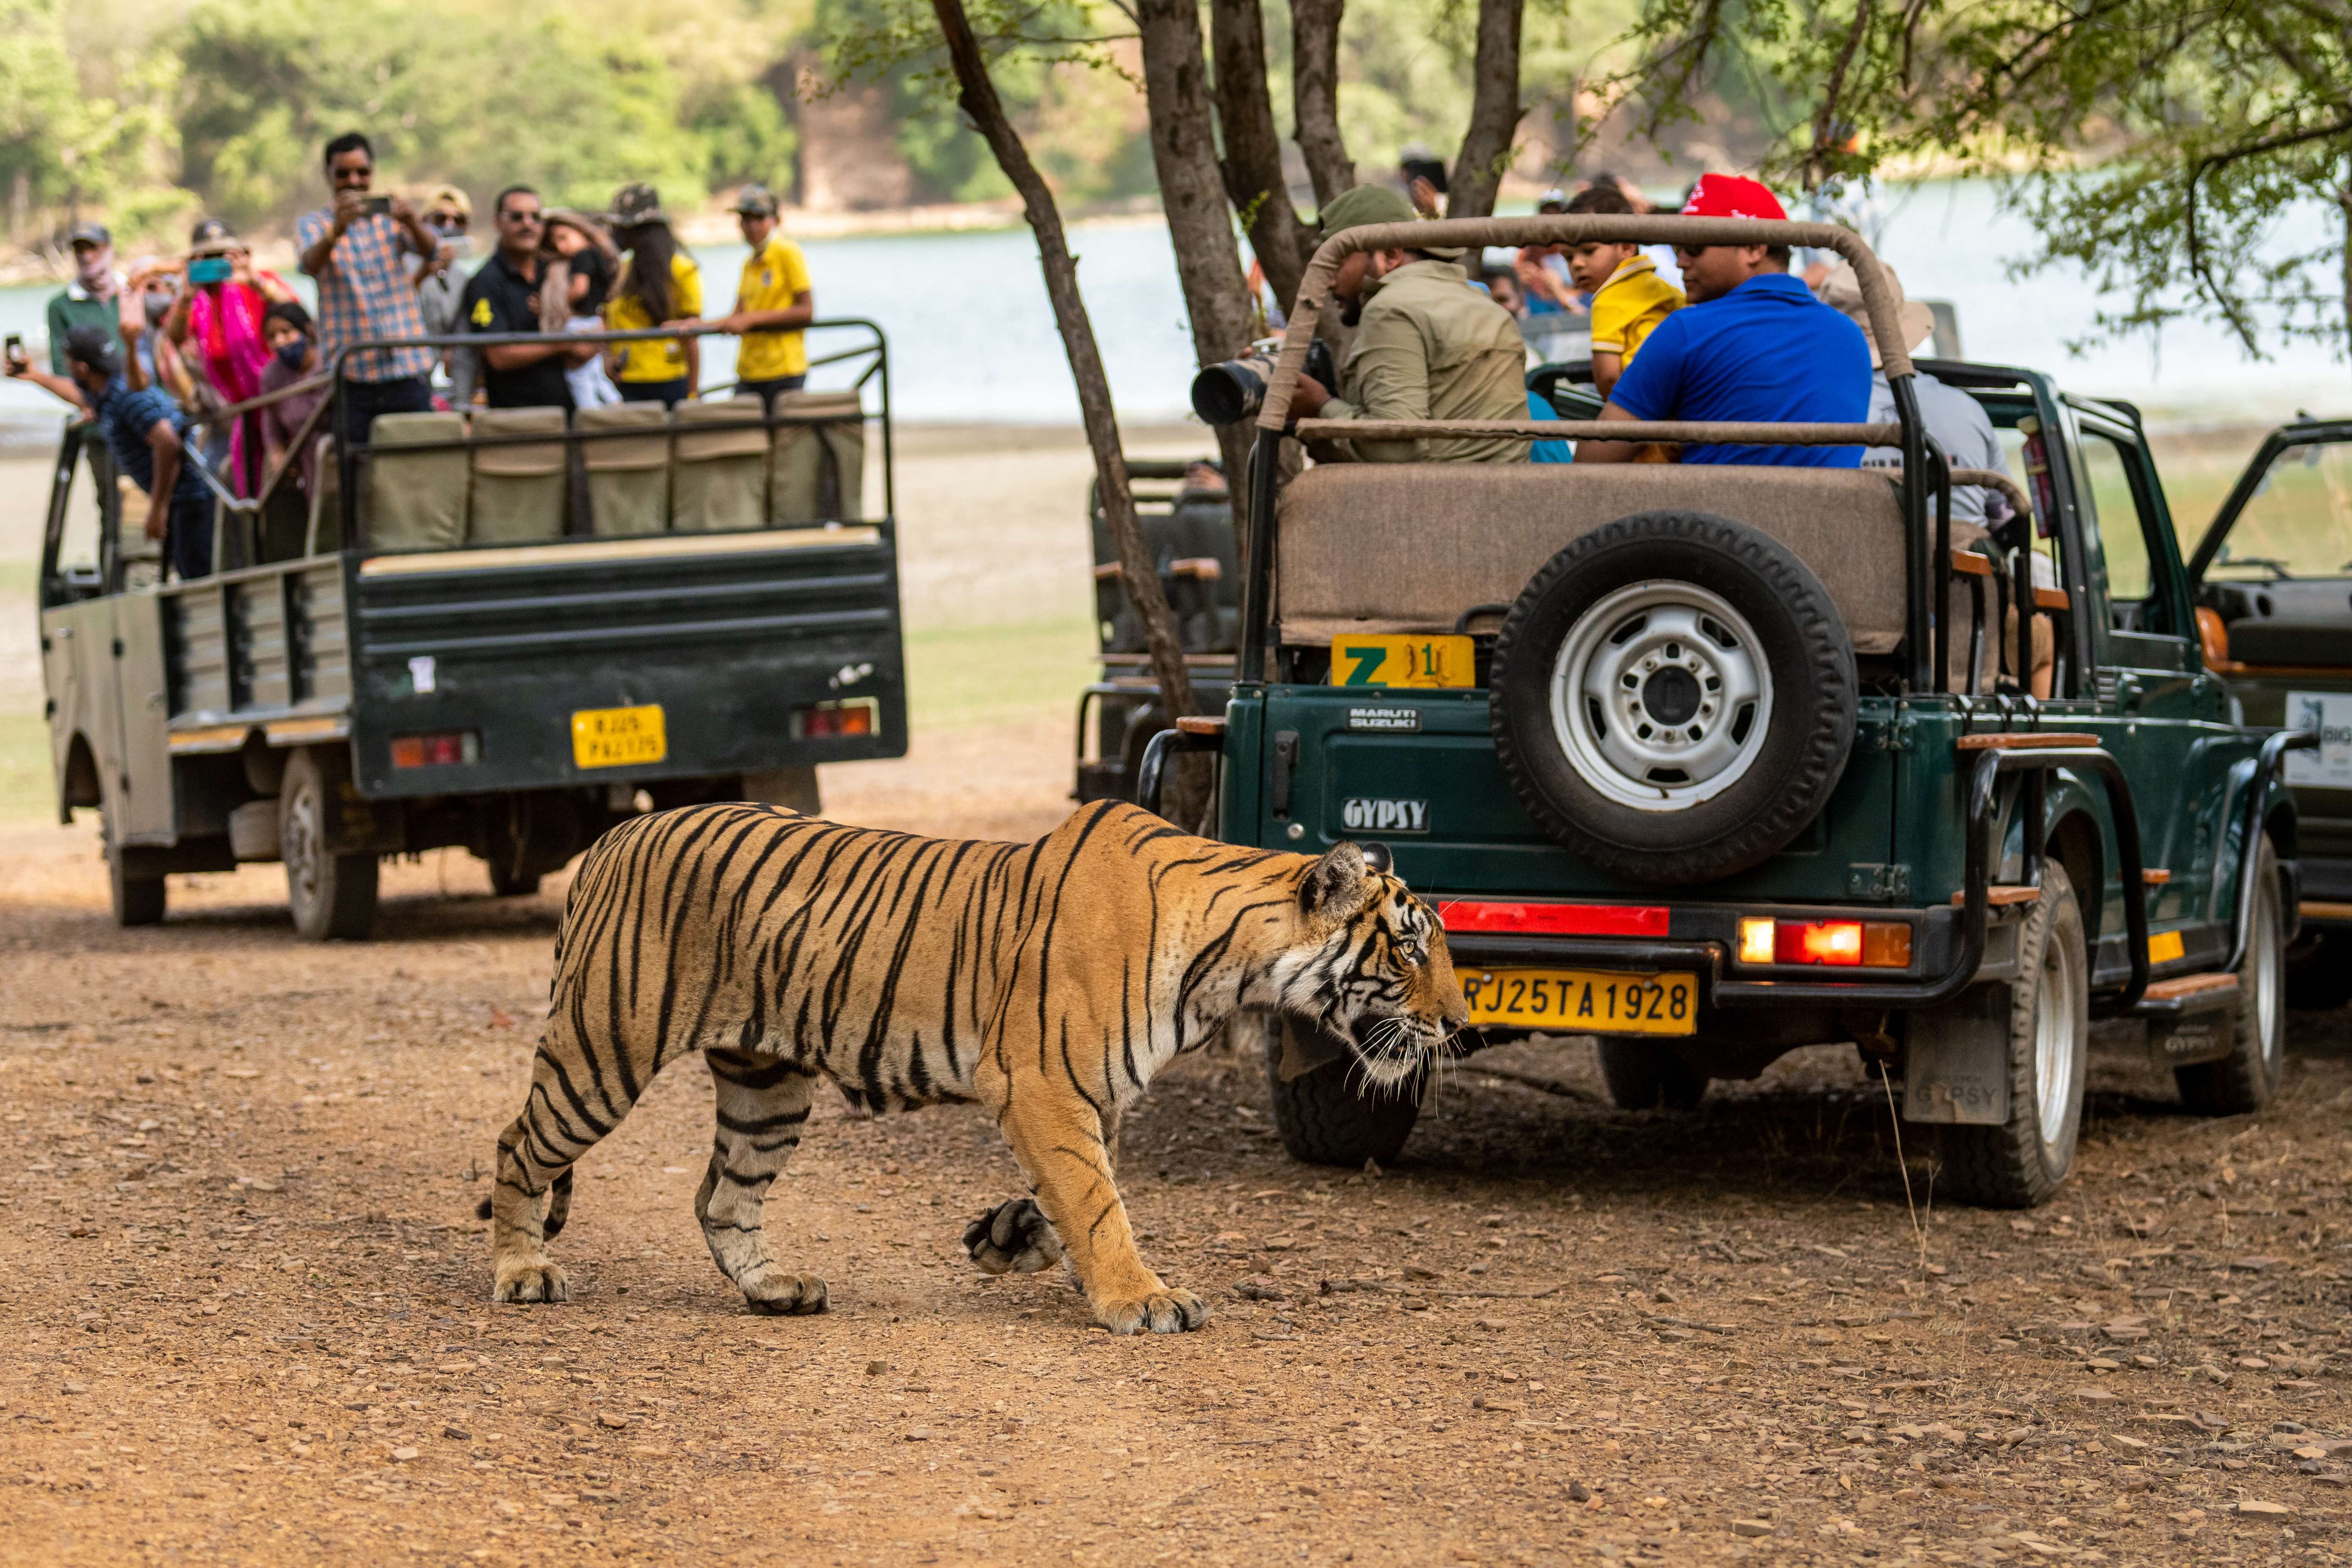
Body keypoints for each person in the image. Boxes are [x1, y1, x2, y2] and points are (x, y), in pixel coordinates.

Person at [1580, 173, 1870, 468]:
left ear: (1755, 248)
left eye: (1693, 247)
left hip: (1714, 513)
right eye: (1677, 248)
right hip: (1834, 512)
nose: (1681, 261)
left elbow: (1591, 465)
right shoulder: (1850, 335)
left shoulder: (1686, 331)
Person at [1289, 183, 1527, 464]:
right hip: (1508, 495)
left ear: (1390, 256)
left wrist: (1320, 406)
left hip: (1439, 500)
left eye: (1338, 262)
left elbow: (1394, 449)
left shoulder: (1390, 308)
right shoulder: (1483, 304)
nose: (1329, 282)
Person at [7, 325, 215, 581]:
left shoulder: (126, 395)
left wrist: (158, 508)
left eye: (69, 362)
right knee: (188, 571)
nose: (68, 367)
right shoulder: (105, 392)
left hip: (190, 497)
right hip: (182, 498)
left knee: (197, 577)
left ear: (82, 368)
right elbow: (79, 396)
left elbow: (166, 442)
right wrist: (35, 375)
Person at [1817, 261, 2012, 524]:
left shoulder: (1809, 409)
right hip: (1957, 564)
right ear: (1901, 326)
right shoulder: (1966, 409)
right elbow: (2006, 519)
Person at [295, 131, 440, 446]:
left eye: (362, 172)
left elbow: (432, 252)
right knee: (358, 470)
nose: (354, 181)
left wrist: (412, 220)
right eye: (344, 174)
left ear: (372, 173)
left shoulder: (391, 219)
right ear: (328, 176)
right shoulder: (314, 224)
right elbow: (309, 266)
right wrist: (338, 230)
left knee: (420, 465)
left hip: (406, 367)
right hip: (353, 375)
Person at [164, 218, 299, 494]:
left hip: (282, 403)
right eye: (207, 257)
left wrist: (254, 281)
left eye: (223, 255)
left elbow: (296, 312)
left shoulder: (260, 282)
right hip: (241, 414)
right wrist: (187, 296)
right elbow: (175, 337)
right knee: (248, 485)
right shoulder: (197, 301)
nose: (216, 263)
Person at [460, 185, 593, 411]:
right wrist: (562, 343)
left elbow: (589, 338)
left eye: (536, 217)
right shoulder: (484, 282)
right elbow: (499, 356)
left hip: (570, 412)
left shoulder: (556, 272)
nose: (528, 224)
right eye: (517, 217)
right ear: (497, 223)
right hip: (518, 419)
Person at [1560, 185, 1684, 400]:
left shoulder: (1609, 299)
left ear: (1627, 247)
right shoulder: (1658, 286)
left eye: (1589, 251)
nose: (1578, 264)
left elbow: (1608, 378)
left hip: (1645, 401)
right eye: (1568, 258)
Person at [713, 184, 814, 408]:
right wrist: (695, 326)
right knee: (743, 437)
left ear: (776, 220)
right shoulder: (749, 264)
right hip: (750, 370)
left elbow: (806, 311)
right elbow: (737, 317)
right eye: (745, 219)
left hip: (784, 369)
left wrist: (753, 319)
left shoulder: (787, 252)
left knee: (785, 439)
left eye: (759, 218)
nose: (751, 226)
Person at [603, 184, 701, 407]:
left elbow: (692, 335)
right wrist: (607, 358)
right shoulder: (622, 271)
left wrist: (693, 395)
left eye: (622, 227)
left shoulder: (682, 270)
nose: (616, 234)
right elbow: (608, 319)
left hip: (671, 379)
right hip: (628, 381)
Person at [542, 210, 621, 409]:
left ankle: (589, 413)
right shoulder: (601, 257)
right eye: (556, 243)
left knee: (578, 376)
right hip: (595, 319)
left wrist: (556, 302)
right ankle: (615, 405)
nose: (561, 247)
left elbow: (580, 288)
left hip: (581, 321)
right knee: (596, 374)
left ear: (580, 231)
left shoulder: (581, 257)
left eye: (564, 238)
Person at [414, 183, 479, 409]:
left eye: (458, 220)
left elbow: (462, 345)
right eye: (441, 219)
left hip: (449, 379)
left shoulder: (466, 278)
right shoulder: (405, 267)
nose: (450, 226)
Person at [259, 300, 330, 500]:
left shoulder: (329, 364)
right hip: (309, 464)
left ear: (306, 330)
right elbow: (272, 430)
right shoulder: (272, 377)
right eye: (272, 337)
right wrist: (278, 454)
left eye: (286, 332)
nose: (280, 341)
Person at [46, 222, 124, 376]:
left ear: (109, 250)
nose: (87, 256)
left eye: (93, 248)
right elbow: (61, 369)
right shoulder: (61, 306)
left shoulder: (132, 294)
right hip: (96, 395)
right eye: (80, 250)